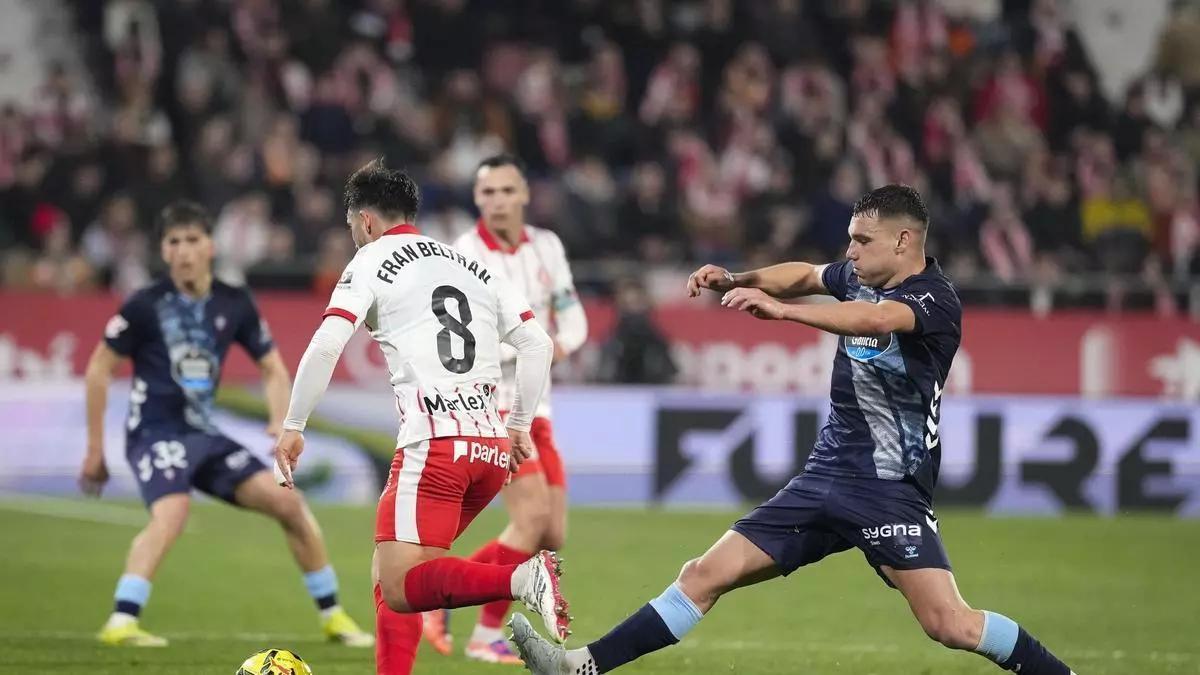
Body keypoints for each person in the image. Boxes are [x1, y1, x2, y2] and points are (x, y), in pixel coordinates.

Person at [509, 185, 1076, 675]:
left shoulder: (934, 299)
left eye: (863, 241)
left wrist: (784, 313)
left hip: (888, 491)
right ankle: (580, 665)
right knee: (703, 574)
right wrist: (740, 277)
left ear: (904, 242)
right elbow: (805, 274)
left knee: (949, 624)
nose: (850, 253)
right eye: (851, 240)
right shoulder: (855, 276)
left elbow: (876, 320)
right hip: (824, 476)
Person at [272, 160, 571, 675]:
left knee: (401, 585)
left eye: (351, 228)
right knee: (398, 573)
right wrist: (518, 422)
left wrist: (294, 425)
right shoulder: (469, 263)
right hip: (490, 449)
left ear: (365, 222)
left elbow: (326, 345)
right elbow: (537, 344)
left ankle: (520, 580)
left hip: (435, 445)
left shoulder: (370, 260)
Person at [80, 201, 372, 648]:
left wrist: (280, 421)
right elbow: (99, 369)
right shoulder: (144, 304)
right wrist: (96, 449)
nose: (183, 251)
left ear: (210, 246)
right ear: (164, 249)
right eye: (173, 242)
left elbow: (273, 368)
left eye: (192, 240)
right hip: (155, 431)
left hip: (204, 435)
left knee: (289, 506)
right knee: (172, 512)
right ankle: (121, 620)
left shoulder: (233, 302)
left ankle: (334, 617)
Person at [418, 153, 587, 664]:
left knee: (551, 533)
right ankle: (481, 631)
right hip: (493, 405)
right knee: (531, 517)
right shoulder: (463, 254)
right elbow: (461, 341)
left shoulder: (548, 247)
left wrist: (561, 346)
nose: (497, 201)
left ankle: (440, 592)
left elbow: (572, 313)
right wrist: (531, 345)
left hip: (541, 404)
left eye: (506, 191)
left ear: (524, 195)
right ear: (476, 199)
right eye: (487, 192)